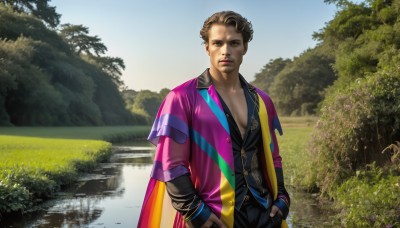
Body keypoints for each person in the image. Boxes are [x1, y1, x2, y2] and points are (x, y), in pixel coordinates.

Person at [138, 11, 290, 228]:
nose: (225, 51)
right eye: (217, 43)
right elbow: (172, 165)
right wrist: (196, 213)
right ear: (207, 47)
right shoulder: (181, 98)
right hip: (213, 216)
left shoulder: (262, 100)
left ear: (244, 47)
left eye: (234, 43)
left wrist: (283, 198)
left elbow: (273, 156)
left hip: (264, 214)